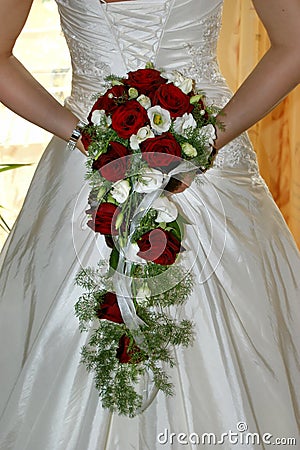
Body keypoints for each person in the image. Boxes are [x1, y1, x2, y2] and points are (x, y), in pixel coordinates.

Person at [0, 0, 299, 448]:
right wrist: (83, 136)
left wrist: (203, 142)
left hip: (202, 165)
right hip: (89, 160)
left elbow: (293, 43)